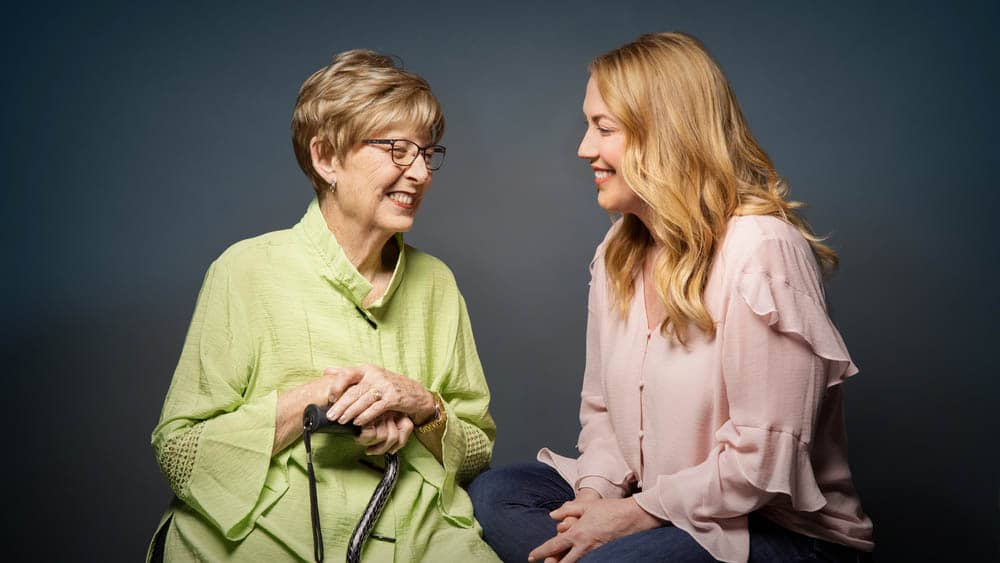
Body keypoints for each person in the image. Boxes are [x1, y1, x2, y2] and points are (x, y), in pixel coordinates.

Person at [469, 32, 874, 563]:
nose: (584, 148)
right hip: (662, 507)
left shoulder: (761, 248)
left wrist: (632, 517)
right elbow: (604, 414)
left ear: (666, 135)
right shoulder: (619, 245)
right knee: (498, 495)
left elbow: (764, 464)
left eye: (603, 128)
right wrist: (593, 500)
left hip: (775, 529)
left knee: (611, 558)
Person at [148, 50, 499, 562]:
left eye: (427, 154)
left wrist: (420, 406)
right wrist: (320, 401)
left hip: (419, 538)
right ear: (326, 158)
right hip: (268, 536)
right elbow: (182, 456)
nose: (420, 172)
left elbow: (476, 455)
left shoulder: (437, 284)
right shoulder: (245, 270)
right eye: (398, 151)